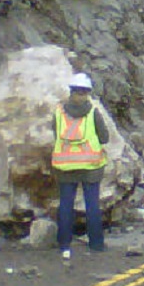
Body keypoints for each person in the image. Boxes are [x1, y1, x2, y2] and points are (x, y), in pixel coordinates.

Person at [51, 72, 110, 259]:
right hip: (91, 166)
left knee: (65, 205)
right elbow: (104, 138)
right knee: (92, 204)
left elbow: (56, 134)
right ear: (88, 92)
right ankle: (96, 244)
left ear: (71, 91)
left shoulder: (59, 112)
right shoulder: (93, 112)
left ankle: (64, 244)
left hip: (65, 166)